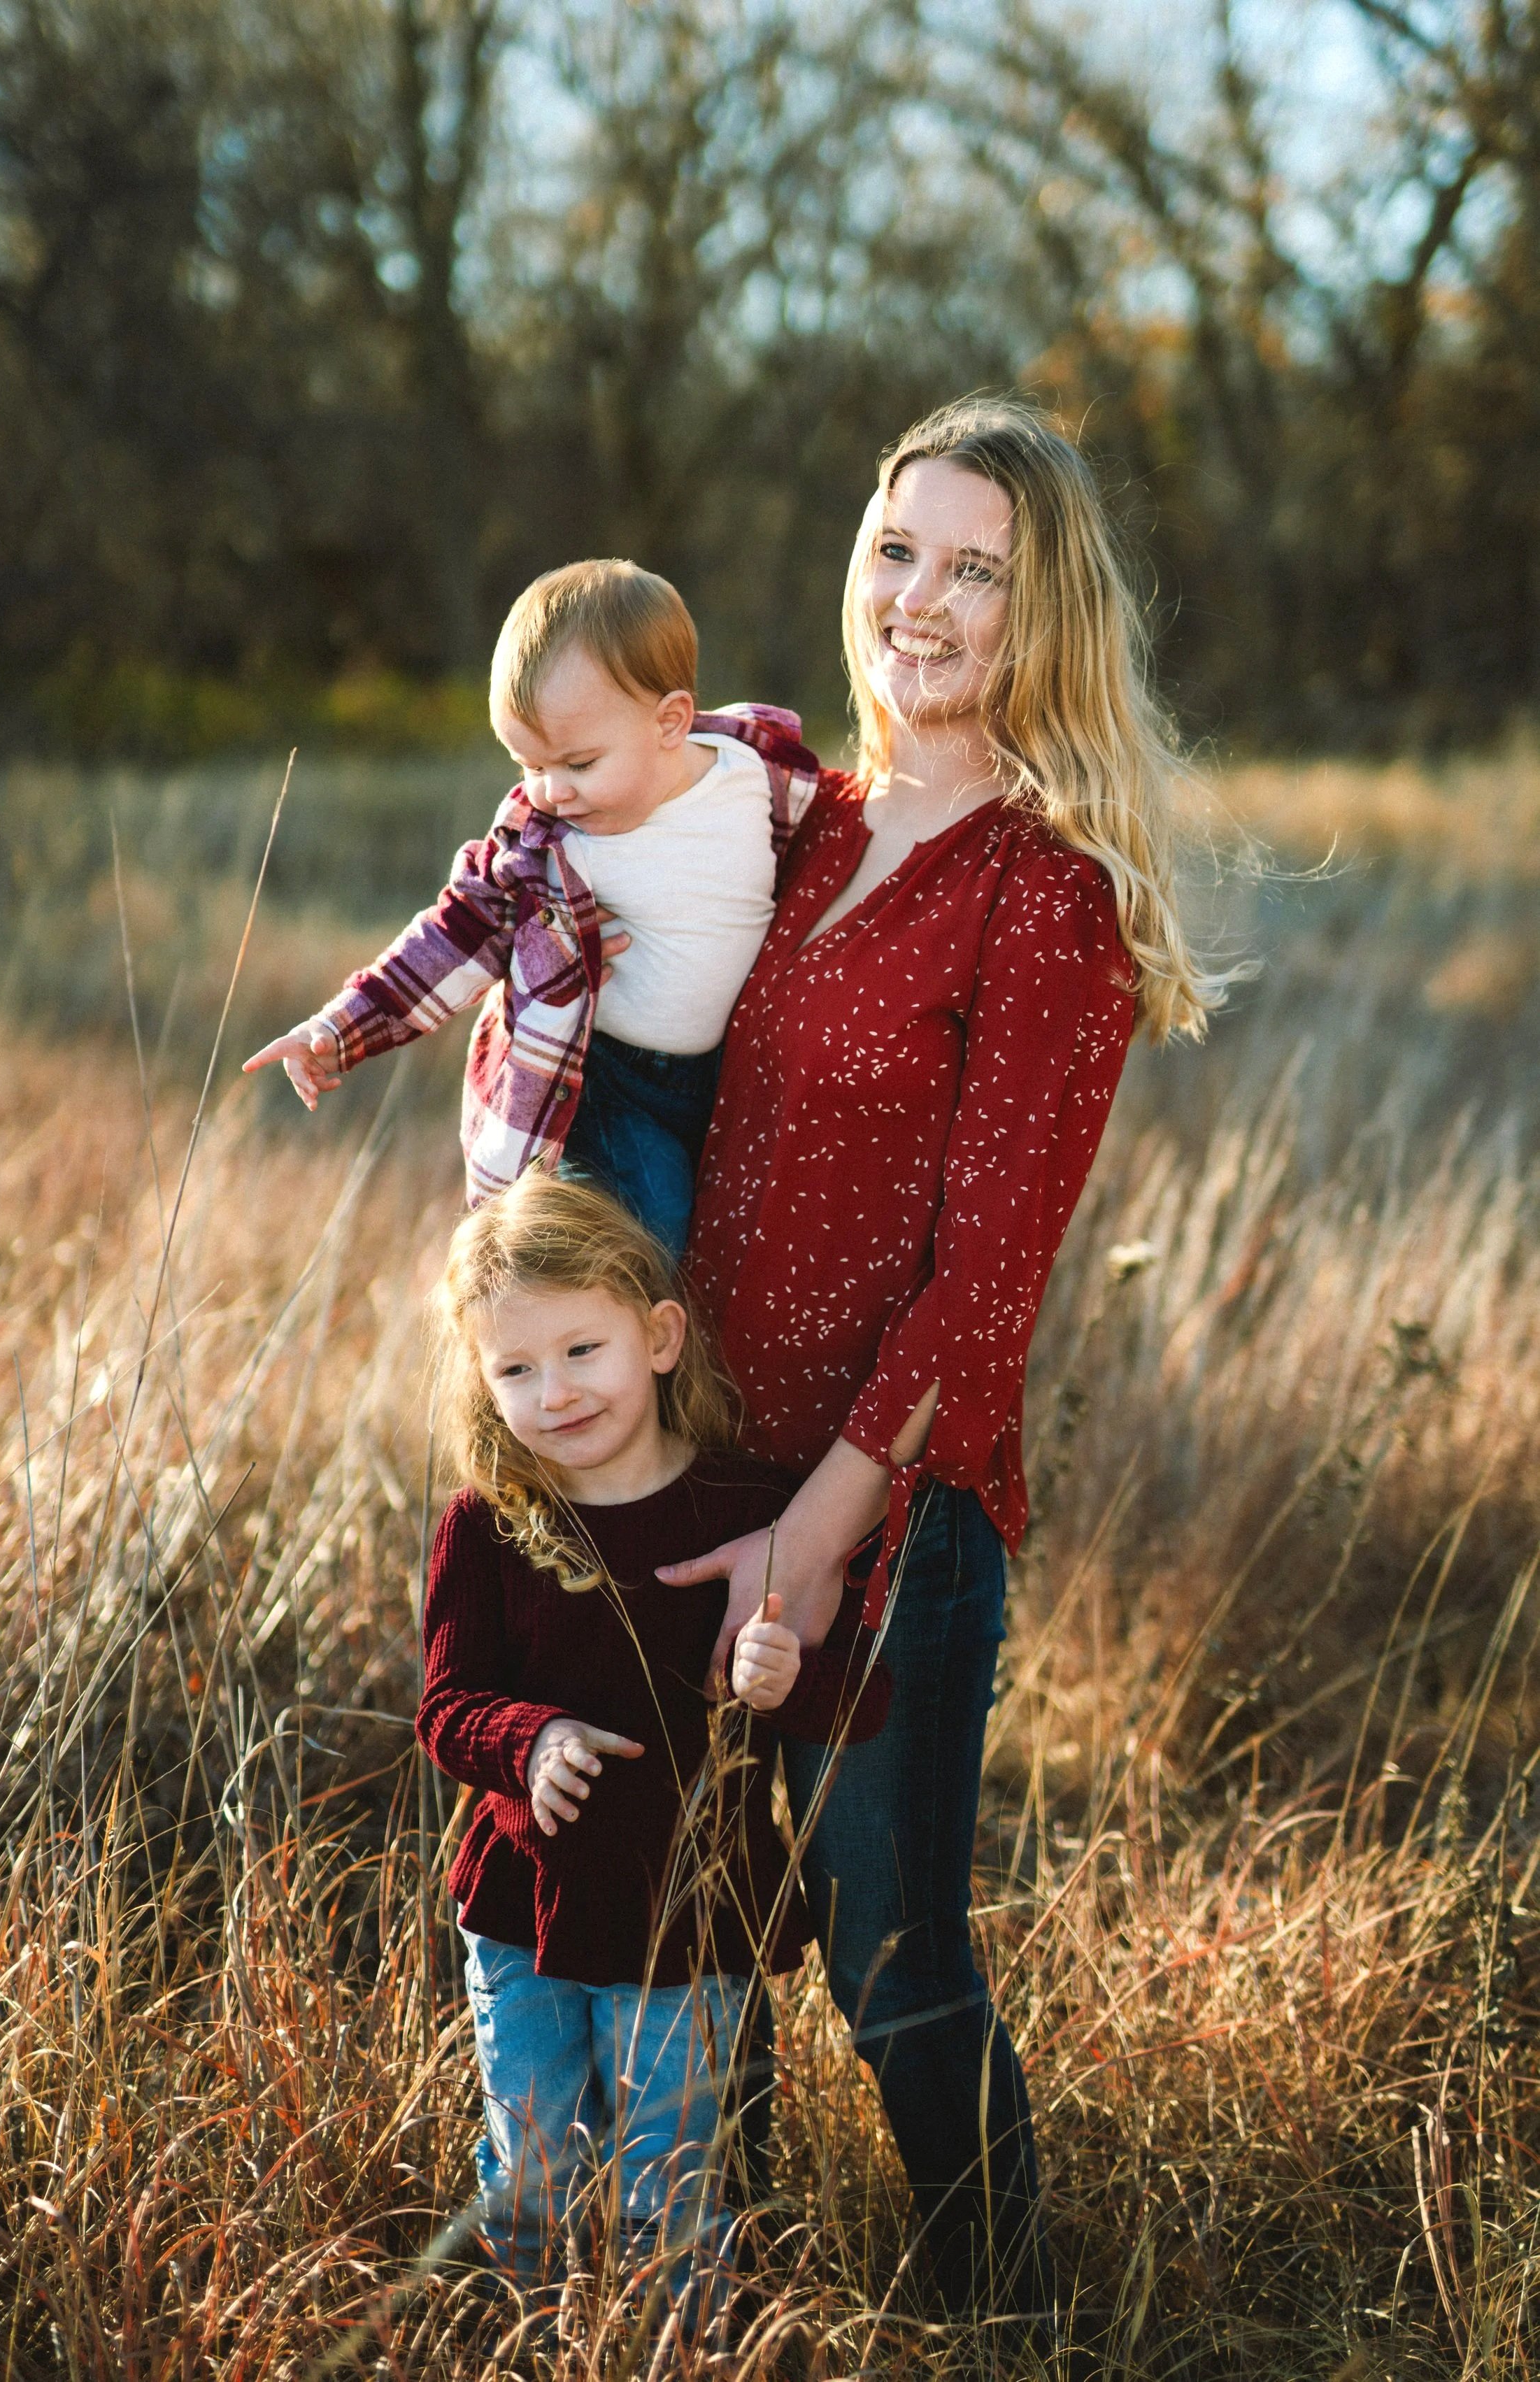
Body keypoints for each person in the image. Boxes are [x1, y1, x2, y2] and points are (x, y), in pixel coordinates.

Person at [660, 397, 1231, 2322]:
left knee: (889, 1957)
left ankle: (1012, 2323)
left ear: (1038, 613)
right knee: (705, 1944)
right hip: (697, 1476)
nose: (917, 596)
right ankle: (706, 2302)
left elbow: (983, 1291)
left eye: (972, 567)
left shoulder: (1045, 886)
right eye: (896, 545)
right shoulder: (785, 818)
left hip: (889, 1520)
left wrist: (813, 1539)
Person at [415, 1169, 889, 2302]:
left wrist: (788, 1677)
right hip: (522, 1917)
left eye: (584, 1350)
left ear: (661, 1335)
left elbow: (860, 1700)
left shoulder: (753, 1512)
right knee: (530, 2162)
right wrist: (527, 1741)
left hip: (690, 1926)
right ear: (485, 1385)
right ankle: (536, 2331)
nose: (558, 1392)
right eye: (517, 1369)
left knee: (669, 2183)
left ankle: (674, 2340)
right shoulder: (491, 1525)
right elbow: (447, 1706)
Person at [243, 559, 819, 1259]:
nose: (550, 790)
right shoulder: (541, 846)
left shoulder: (752, 769)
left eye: (577, 765)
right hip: (608, 1079)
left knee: (748, 1238)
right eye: (527, 765)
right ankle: (610, 1359)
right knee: (652, 1229)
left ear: (671, 722)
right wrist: (336, 1027)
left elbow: (824, 848)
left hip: (729, 1074)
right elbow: (450, 938)